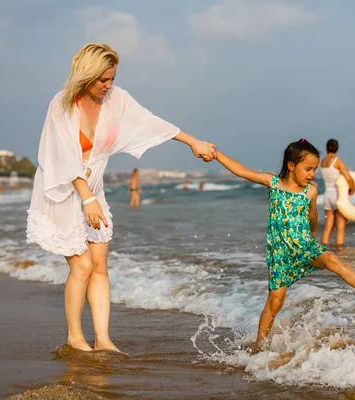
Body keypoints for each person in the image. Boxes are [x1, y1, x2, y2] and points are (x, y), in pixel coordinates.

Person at [26, 43, 216, 353]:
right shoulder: (61, 104)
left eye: (112, 78)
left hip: (93, 189)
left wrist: (193, 142)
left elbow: (149, 121)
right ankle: (76, 337)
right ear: (86, 75)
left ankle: (103, 339)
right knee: (83, 267)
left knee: (100, 265)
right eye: (103, 80)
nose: (109, 86)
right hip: (62, 190)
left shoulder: (117, 99)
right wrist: (87, 200)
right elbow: (63, 156)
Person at [215, 138, 355, 352]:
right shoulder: (273, 183)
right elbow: (241, 170)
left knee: (331, 259)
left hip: (304, 246)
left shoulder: (310, 191)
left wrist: (313, 238)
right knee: (275, 303)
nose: (312, 174)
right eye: (308, 168)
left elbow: (312, 215)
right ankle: (258, 346)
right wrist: (216, 154)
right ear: (291, 166)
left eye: (314, 169)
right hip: (280, 255)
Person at [320, 139, 355, 248]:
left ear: (326, 148)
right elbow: (348, 177)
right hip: (337, 194)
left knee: (327, 227)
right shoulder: (337, 160)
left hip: (327, 195)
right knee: (340, 227)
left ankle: (324, 250)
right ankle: (340, 251)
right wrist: (352, 188)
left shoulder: (323, 162)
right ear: (337, 148)